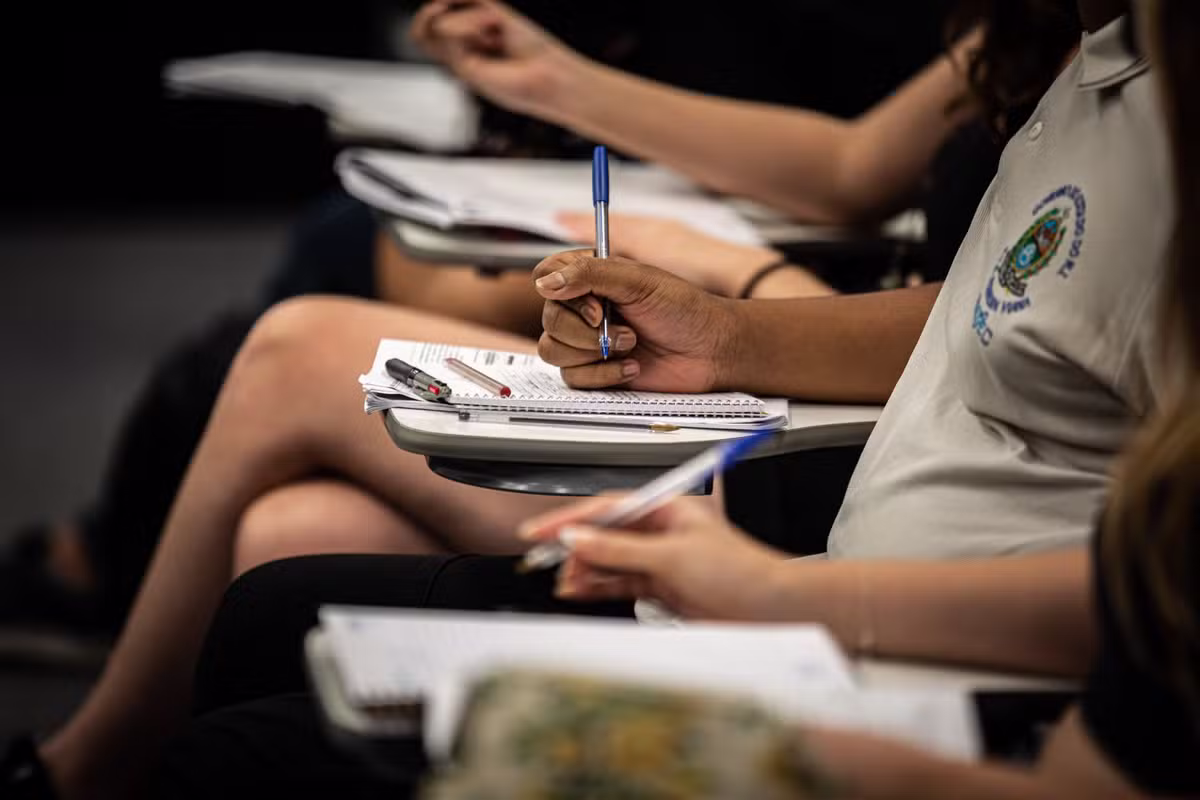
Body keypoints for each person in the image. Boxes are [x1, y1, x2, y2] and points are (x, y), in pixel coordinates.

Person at [0, 0, 1173, 797]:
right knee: (277, 554)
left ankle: (84, 735)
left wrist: (785, 584)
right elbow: (987, 308)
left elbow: (1143, 603)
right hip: (853, 532)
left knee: (291, 368)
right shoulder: (1085, 47)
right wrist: (726, 332)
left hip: (883, 602)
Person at [0, 0, 974, 651]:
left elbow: (972, 344)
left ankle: (95, 699)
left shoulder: (1106, 77)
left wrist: (734, 289)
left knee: (291, 344)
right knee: (278, 540)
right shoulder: (1042, 41)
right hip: (845, 392)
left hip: (862, 447)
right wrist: (551, 80)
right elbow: (856, 170)